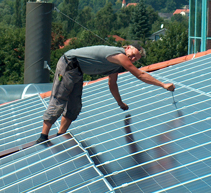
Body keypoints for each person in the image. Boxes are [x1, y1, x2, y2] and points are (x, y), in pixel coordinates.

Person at [36, 43, 175, 143]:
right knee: (59, 99)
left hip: (77, 71)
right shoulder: (119, 55)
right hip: (68, 64)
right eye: (133, 55)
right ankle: (43, 136)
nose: (132, 59)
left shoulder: (117, 64)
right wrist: (163, 85)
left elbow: (112, 84)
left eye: (135, 59)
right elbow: (139, 74)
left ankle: (61, 134)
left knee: (75, 105)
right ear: (127, 48)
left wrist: (120, 103)